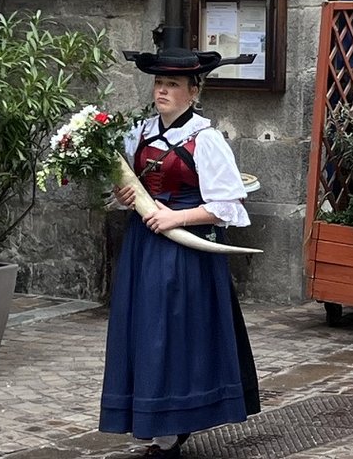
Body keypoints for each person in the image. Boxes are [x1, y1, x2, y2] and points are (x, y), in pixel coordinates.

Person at [101, 45, 259, 457]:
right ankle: (155, 420)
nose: (163, 90)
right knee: (145, 330)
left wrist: (175, 219)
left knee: (173, 334)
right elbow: (129, 192)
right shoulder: (139, 133)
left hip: (185, 255)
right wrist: (125, 197)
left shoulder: (205, 140)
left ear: (194, 90)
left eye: (173, 83)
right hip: (143, 246)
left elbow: (228, 206)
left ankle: (174, 424)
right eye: (159, 82)